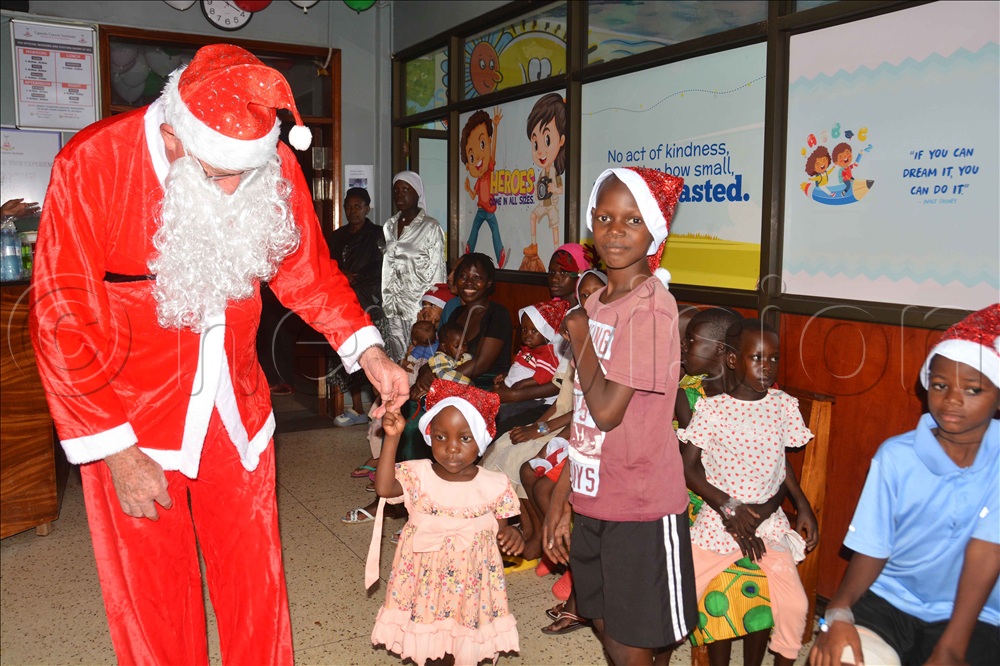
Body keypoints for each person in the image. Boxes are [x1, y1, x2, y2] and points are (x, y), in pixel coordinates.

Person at [28, 45, 410, 665]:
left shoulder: (267, 162)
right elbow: (59, 320)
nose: (235, 189)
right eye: (217, 173)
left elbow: (306, 271)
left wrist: (367, 351)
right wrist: (116, 451)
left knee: (255, 589)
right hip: (130, 425)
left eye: (247, 174)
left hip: (238, 414)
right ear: (176, 134)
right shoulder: (93, 165)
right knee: (155, 603)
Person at [543, 167, 697, 665]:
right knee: (608, 624)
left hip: (640, 505)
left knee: (635, 638)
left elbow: (609, 411)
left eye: (632, 219)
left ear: (654, 232)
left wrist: (581, 334)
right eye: (605, 217)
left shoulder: (651, 309)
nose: (615, 229)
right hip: (594, 495)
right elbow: (586, 420)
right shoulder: (595, 302)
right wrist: (563, 496)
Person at [810, 304, 1000, 666]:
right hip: (891, 600)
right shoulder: (897, 456)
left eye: (973, 390)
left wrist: (951, 647)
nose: (952, 400)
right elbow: (873, 545)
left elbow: (987, 551)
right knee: (841, 657)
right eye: (941, 385)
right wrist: (838, 613)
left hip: (975, 614)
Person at [677, 318, 814, 666]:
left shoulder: (782, 405)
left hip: (767, 525)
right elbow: (687, 467)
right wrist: (728, 507)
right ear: (734, 360)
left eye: (773, 359)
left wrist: (803, 505)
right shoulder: (712, 409)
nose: (766, 367)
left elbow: (781, 465)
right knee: (674, 594)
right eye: (757, 358)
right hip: (717, 524)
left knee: (796, 606)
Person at [366, 380, 524, 665]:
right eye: (441, 438)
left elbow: (502, 530)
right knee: (430, 644)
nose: (452, 448)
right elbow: (385, 488)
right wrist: (392, 438)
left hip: (471, 586)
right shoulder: (419, 475)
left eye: (464, 438)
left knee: (463, 639)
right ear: (429, 438)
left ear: (481, 441)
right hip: (425, 581)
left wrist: (513, 535)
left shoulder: (495, 484)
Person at [329, 186, 386, 426]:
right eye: (349, 207)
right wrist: (342, 274)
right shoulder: (337, 235)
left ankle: (381, 408)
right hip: (343, 299)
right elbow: (327, 262)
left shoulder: (377, 234)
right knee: (347, 352)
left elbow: (383, 267)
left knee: (372, 352)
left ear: (367, 208)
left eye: (358, 206)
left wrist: (357, 278)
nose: (353, 211)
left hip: (369, 298)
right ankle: (356, 408)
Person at [382, 171, 446, 362]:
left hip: (417, 310)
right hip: (392, 308)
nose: (399, 195)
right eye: (396, 190)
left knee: (418, 361)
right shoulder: (389, 226)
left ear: (417, 193)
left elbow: (438, 272)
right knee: (396, 361)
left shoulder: (431, 227)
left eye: (405, 189)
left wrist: (432, 310)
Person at [494, 298, 571, 432]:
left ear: (546, 333)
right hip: (512, 393)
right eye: (524, 329)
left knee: (502, 419)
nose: (526, 335)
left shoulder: (546, 354)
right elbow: (523, 368)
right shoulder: (530, 349)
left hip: (532, 400)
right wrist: (507, 376)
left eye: (534, 331)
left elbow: (544, 376)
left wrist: (520, 386)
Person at [522, 93, 567, 270]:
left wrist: (553, 188)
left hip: (552, 205)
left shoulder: (555, 170)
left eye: (546, 140)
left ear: (561, 140)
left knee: (555, 228)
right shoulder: (543, 172)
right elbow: (538, 190)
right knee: (533, 215)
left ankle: (558, 252)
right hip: (544, 204)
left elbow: (561, 190)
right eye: (535, 144)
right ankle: (534, 245)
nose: (540, 151)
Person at [462, 108, 507, 269]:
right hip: (481, 210)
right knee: (474, 229)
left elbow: (492, 150)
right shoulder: (479, 180)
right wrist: (468, 189)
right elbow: (474, 195)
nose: (478, 159)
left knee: (495, 232)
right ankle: (468, 250)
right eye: (472, 157)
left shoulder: (488, 171)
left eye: (481, 145)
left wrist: (495, 127)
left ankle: (500, 255)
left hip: (490, 211)